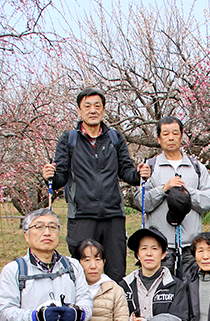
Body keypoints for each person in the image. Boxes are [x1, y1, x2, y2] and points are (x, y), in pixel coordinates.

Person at [41, 87, 150, 280]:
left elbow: (127, 172)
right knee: (82, 271)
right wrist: (49, 175)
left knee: (116, 271)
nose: (93, 110)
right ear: (79, 111)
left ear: (104, 109)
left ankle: (115, 309)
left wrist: (140, 174)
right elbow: (60, 178)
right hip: (82, 215)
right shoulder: (69, 139)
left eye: (97, 106)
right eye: (87, 106)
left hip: (113, 215)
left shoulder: (115, 138)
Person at [135, 116, 210, 281]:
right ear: (158, 139)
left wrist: (186, 194)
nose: (170, 138)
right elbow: (141, 202)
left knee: (190, 294)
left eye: (175, 133)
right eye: (165, 134)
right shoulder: (149, 167)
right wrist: (164, 189)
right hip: (159, 245)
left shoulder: (196, 167)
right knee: (160, 292)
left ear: (182, 137)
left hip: (190, 245)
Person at [119, 227, 191, 321]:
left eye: (154, 248)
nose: (149, 253)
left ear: (163, 254)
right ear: (138, 254)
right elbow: (114, 320)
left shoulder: (176, 286)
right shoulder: (124, 286)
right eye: (144, 248)